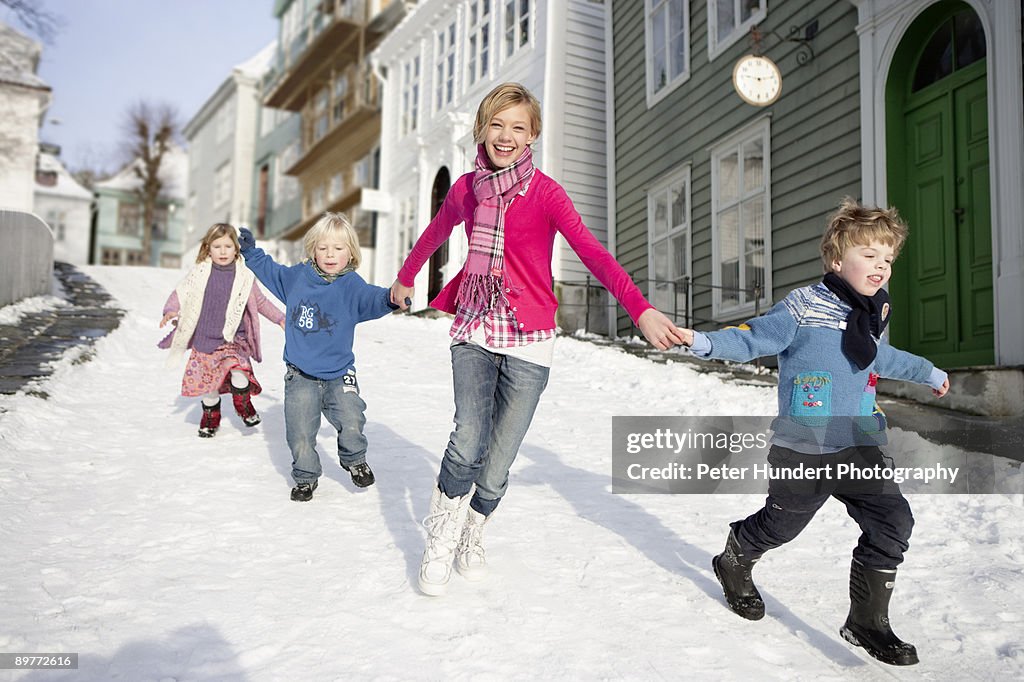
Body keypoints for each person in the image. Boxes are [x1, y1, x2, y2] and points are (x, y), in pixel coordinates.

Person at [390, 82, 686, 596]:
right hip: (476, 324)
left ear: (533, 136)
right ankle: (439, 535)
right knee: (467, 439)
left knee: (500, 457)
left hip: (530, 337)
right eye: (497, 124)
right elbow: (435, 233)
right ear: (482, 129)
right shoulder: (465, 188)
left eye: (518, 127)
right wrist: (407, 276)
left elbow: (593, 253)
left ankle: (473, 529)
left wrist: (638, 308)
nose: (506, 136)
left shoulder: (546, 193)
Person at [676, 198, 950, 666]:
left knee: (893, 521)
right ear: (837, 259)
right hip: (806, 445)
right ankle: (736, 555)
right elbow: (751, 338)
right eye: (869, 254)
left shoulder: (872, 312)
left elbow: (877, 358)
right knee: (783, 524)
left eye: (887, 258)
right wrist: (701, 341)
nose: (881, 265)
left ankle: (866, 621)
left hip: (861, 441)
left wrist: (926, 370)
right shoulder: (803, 306)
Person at [238, 213, 398, 502]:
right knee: (299, 434)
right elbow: (270, 271)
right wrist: (250, 252)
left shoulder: (352, 285)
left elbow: (375, 299)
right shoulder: (297, 278)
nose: (330, 254)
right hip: (301, 375)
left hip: (339, 374)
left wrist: (392, 298)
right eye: (323, 248)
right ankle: (305, 477)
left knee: (351, 418)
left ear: (350, 252)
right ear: (313, 249)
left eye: (338, 248)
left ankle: (354, 459)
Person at [159, 223, 285, 438]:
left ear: (236, 248)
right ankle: (211, 416)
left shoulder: (244, 276)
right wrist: (170, 311)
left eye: (228, 246)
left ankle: (242, 404)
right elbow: (180, 294)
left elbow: (261, 302)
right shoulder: (199, 273)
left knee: (240, 374)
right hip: (205, 341)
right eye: (217, 246)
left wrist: (280, 318)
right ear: (208, 248)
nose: (223, 251)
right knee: (209, 387)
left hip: (233, 340)